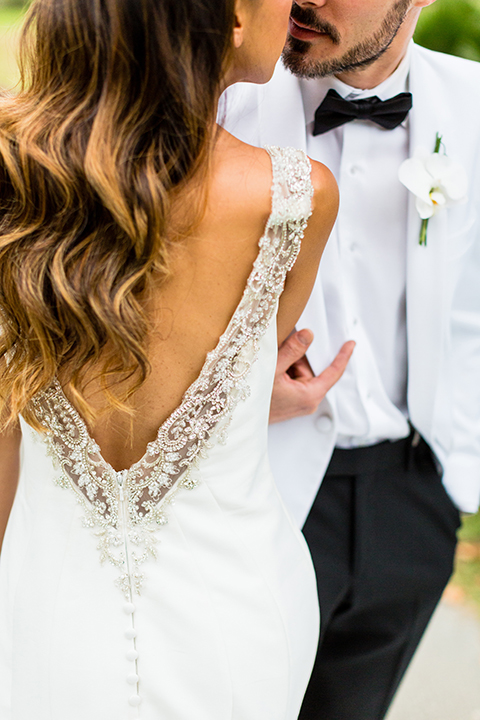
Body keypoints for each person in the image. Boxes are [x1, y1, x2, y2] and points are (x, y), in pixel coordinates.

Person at [0, 0, 340, 718]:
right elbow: (255, 351)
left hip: (44, 614)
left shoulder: (13, 181)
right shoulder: (294, 197)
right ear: (233, 19)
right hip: (238, 621)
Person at [223, 0, 480, 718]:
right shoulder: (219, 102)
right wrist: (237, 393)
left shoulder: (473, 108)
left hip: (413, 509)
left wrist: (455, 479)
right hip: (255, 500)